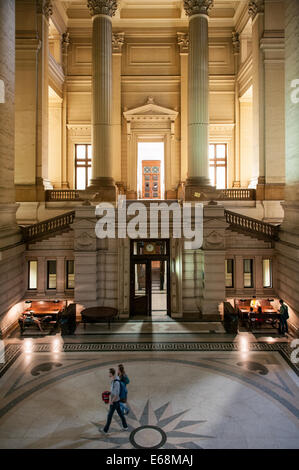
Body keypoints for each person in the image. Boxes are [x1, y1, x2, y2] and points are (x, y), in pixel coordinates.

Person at [101, 368, 128, 435]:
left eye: (109, 373)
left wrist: (111, 401)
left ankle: (105, 430)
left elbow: (116, 394)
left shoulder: (116, 382)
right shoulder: (114, 380)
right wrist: (109, 393)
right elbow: (114, 392)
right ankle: (125, 426)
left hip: (114, 402)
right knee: (121, 414)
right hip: (116, 401)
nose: (108, 374)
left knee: (109, 416)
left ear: (111, 373)